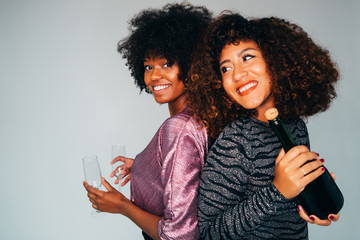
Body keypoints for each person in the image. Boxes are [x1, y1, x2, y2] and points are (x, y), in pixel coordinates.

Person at [186, 13, 340, 239]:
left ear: (275, 60)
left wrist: (312, 202)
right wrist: (277, 191)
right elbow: (209, 233)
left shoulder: (294, 126)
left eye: (247, 58)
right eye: (225, 68)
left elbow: (286, 208)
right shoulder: (235, 141)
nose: (237, 74)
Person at [83, 3, 212, 240]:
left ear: (192, 63)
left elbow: (179, 235)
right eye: (148, 66)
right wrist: (144, 166)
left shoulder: (178, 127)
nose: (154, 76)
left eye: (166, 64)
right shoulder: (199, 117)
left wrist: (122, 206)